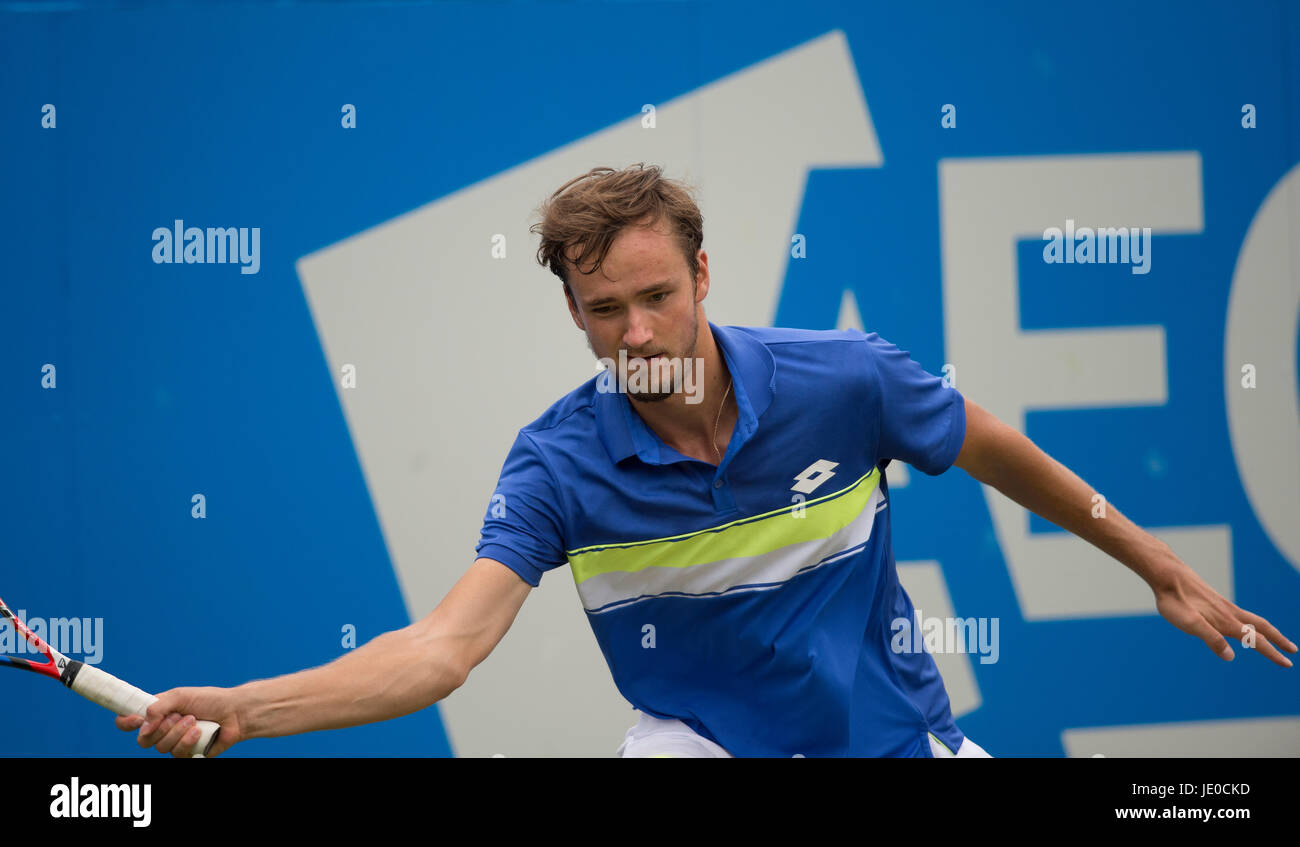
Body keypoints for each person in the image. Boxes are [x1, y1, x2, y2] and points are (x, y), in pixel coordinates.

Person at [118, 164, 1296, 758]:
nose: (634, 334)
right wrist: (245, 708)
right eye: (600, 310)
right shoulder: (556, 469)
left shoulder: (845, 379)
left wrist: (1154, 564)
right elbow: (443, 648)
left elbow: (995, 448)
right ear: (571, 310)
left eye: (654, 297)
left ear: (703, 278)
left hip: (893, 735)